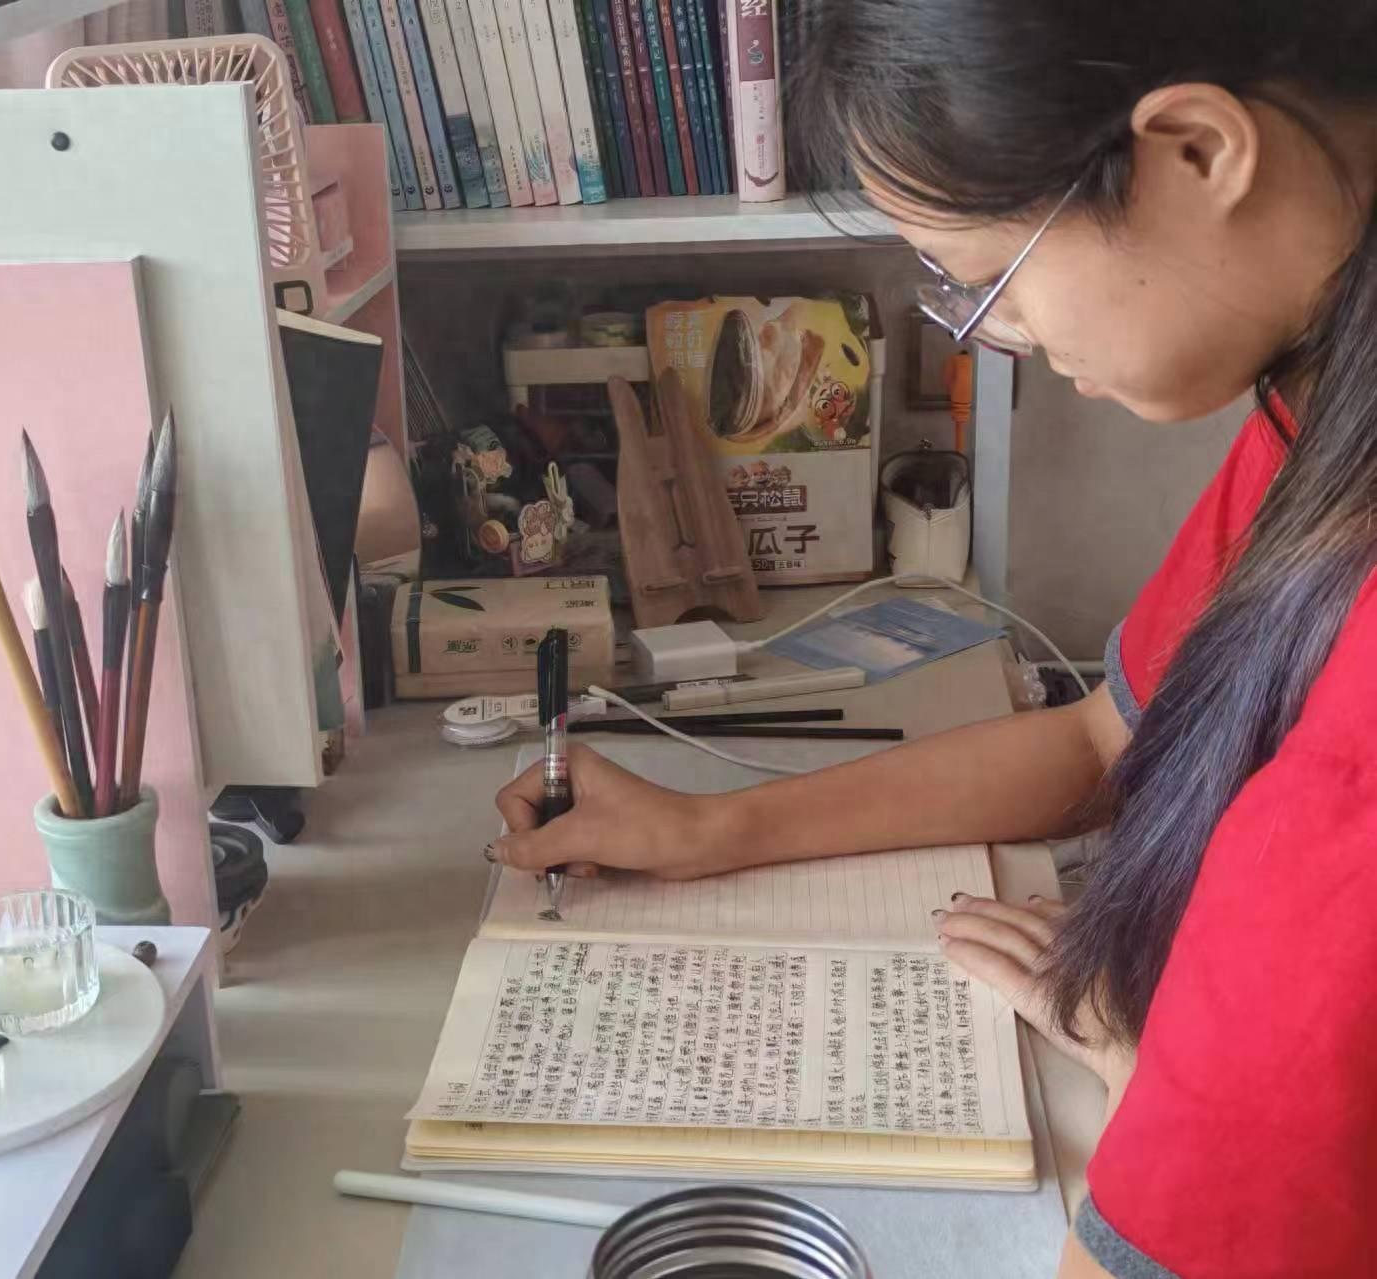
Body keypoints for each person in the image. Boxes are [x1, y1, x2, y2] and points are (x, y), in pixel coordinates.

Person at [492, 3, 1377, 1275]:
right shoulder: (1321, 422)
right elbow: (1102, 739)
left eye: (986, 280)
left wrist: (1170, 1089)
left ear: (1194, 148)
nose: (1004, 338)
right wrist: (708, 830)